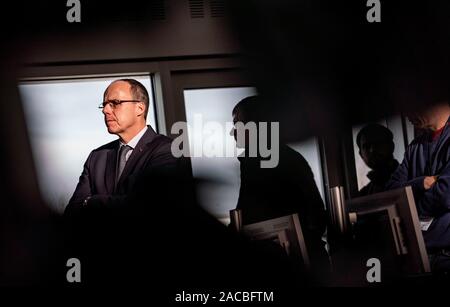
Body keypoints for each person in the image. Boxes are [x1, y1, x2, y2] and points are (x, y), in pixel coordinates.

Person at [230, 96, 328, 274]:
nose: (233, 131)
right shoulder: (259, 160)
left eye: (238, 123)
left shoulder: (278, 160)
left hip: (297, 262)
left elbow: (316, 216)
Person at [65, 79, 179, 215]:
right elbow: (73, 212)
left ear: (140, 108)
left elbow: (150, 206)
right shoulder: (97, 157)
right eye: (105, 104)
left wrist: (91, 202)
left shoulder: (167, 149)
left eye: (115, 103)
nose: (106, 110)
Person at [387, 101, 450, 271]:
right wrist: (422, 183)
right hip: (418, 254)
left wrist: (406, 206)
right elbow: (390, 193)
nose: (406, 114)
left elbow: (445, 195)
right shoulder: (414, 147)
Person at [356, 124, 399, 196]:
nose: (372, 150)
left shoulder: (411, 178)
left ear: (391, 146)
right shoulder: (363, 195)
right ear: (361, 154)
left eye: (378, 143)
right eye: (366, 146)